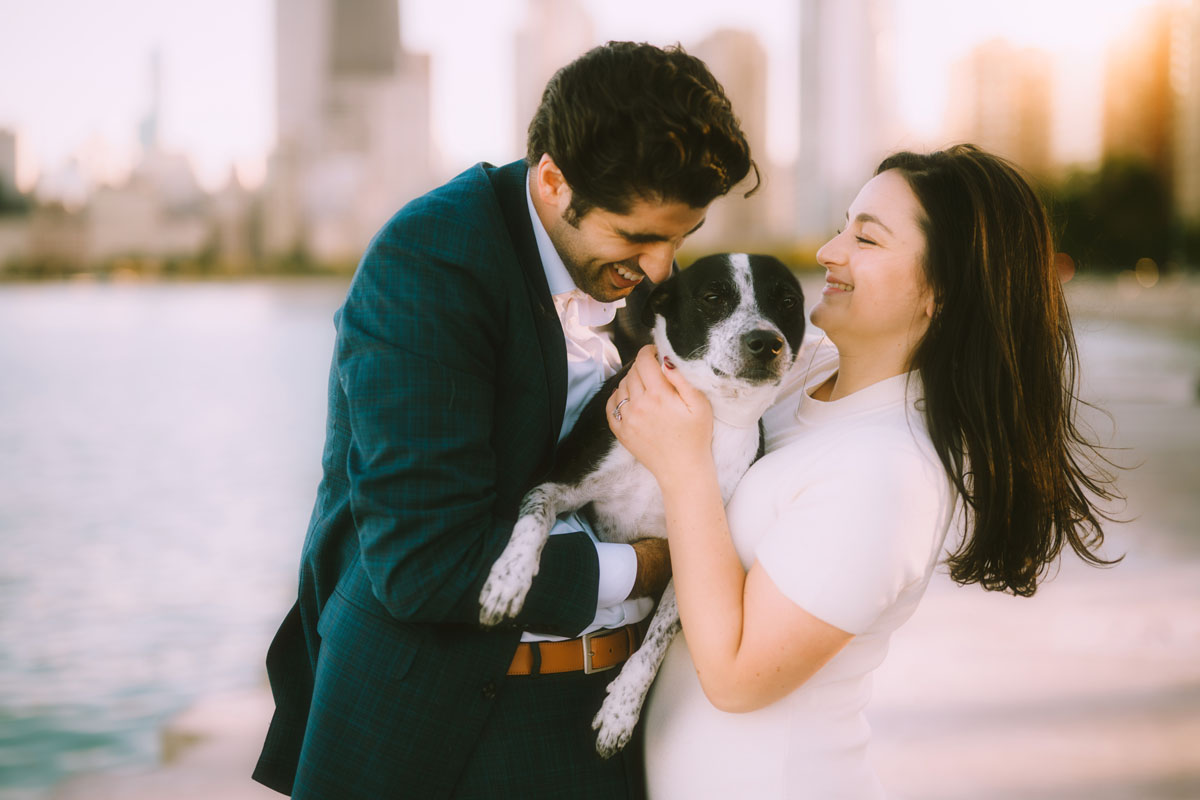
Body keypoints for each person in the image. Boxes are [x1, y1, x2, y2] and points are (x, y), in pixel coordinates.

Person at [251, 42, 757, 800]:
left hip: (600, 721)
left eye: (678, 239)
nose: (660, 270)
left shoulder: (648, 281)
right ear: (554, 181)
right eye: (637, 237)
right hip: (426, 728)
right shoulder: (430, 264)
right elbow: (423, 564)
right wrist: (650, 566)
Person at [605, 144, 1121, 798]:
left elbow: (737, 677)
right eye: (844, 225)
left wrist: (682, 469)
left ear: (944, 289)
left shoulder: (890, 473)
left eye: (867, 239)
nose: (828, 251)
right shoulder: (803, 374)